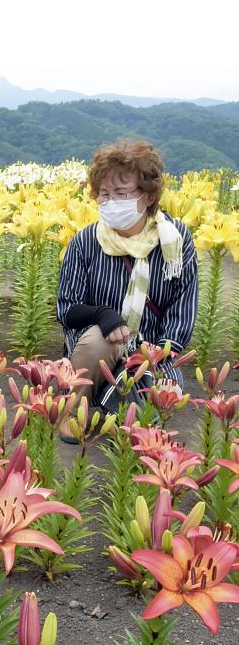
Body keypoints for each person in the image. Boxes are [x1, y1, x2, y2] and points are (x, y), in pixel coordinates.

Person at [56, 139, 198, 440]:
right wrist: (103, 315)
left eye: (120, 194)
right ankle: (74, 409)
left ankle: (121, 400)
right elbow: (66, 308)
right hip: (98, 343)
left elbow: (182, 305)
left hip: (153, 347)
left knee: (151, 411)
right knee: (99, 342)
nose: (110, 203)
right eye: (104, 194)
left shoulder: (175, 240)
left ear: (147, 196)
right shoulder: (85, 241)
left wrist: (160, 350)